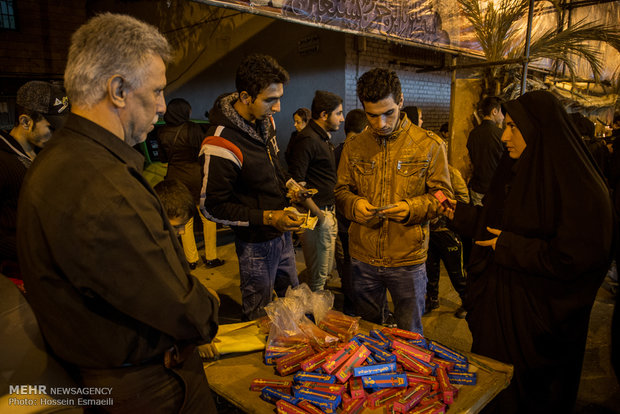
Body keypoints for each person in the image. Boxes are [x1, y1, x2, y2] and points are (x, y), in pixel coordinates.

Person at [17, 13, 220, 412]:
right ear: (119, 89)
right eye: (157, 91)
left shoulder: (59, 157)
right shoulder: (103, 184)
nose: (162, 106)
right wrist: (208, 306)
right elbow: (178, 304)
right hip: (148, 386)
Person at [448, 90, 613, 413]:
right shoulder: (518, 171)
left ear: (537, 129)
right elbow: (495, 224)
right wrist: (459, 214)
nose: (504, 136)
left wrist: (509, 247)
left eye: (513, 127)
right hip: (503, 309)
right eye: (505, 125)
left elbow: (579, 256)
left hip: (538, 322)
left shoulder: (583, 189)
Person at [335, 68, 453, 334]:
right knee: (368, 334)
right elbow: (341, 191)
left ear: (401, 101)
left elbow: (443, 199)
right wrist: (354, 206)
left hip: (407, 261)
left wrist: (410, 208)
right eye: (372, 116)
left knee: (410, 335)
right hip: (363, 258)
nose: (380, 124)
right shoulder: (354, 146)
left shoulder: (429, 145)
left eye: (388, 113)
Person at [200, 54, 304, 321]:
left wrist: (289, 186)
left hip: (282, 237)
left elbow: (274, 166)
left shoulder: (264, 124)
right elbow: (212, 206)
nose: (278, 108)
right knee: (261, 317)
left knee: (293, 303)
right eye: (270, 100)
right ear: (245, 97)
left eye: (279, 98)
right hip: (255, 246)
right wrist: (268, 216)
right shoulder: (220, 141)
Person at [0, 81, 69, 280]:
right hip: (20, 273)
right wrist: (31, 249)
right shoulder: (4, 162)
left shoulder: (42, 154)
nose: (57, 136)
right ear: (25, 122)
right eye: (51, 128)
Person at [286, 90, 343, 291]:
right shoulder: (308, 139)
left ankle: (318, 313)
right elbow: (295, 185)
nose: (342, 119)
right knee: (318, 278)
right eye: (338, 113)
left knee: (324, 272)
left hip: (325, 212)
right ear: (324, 114)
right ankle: (315, 318)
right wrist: (319, 216)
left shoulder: (321, 138)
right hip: (315, 215)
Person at [158, 98, 224, 269]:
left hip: (175, 179)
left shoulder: (162, 132)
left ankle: (191, 260)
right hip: (196, 177)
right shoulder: (192, 129)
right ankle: (211, 257)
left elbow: (163, 158)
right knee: (207, 217)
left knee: (184, 219)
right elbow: (203, 152)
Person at [425, 123, 469, 318]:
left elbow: (464, 200)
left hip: (447, 233)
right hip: (430, 232)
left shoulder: (451, 173)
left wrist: (446, 206)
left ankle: (468, 303)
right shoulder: (424, 174)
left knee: (456, 273)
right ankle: (432, 300)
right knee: (430, 270)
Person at [334, 109, 367, 315]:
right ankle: (357, 304)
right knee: (356, 263)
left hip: (340, 217)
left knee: (345, 261)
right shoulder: (358, 152)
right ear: (364, 129)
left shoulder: (335, 150)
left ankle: (350, 302)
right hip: (356, 219)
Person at [466, 96, 505, 206]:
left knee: (479, 220)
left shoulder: (473, 134)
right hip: (495, 189)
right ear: (494, 111)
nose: (504, 117)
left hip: (477, 188)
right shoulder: (501, 135)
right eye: (502, 112)